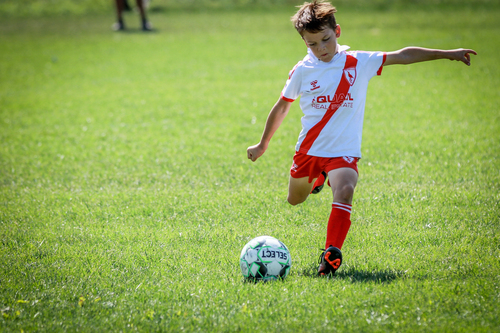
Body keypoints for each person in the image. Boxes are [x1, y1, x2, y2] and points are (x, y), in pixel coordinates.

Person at [246, 0, 476, 276]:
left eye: (325, 40)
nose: (321, 49)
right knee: (295, 199)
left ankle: (331, 254)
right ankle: (319, 179)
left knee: (345, 188)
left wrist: (448, 54)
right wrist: (263, 144)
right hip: (309, 151)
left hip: (344, 150)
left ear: (338, 32)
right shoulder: (302, 71)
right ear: (304, 43)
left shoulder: (359, 62)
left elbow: (402, 55)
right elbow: (282, 106)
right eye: (312, 44)